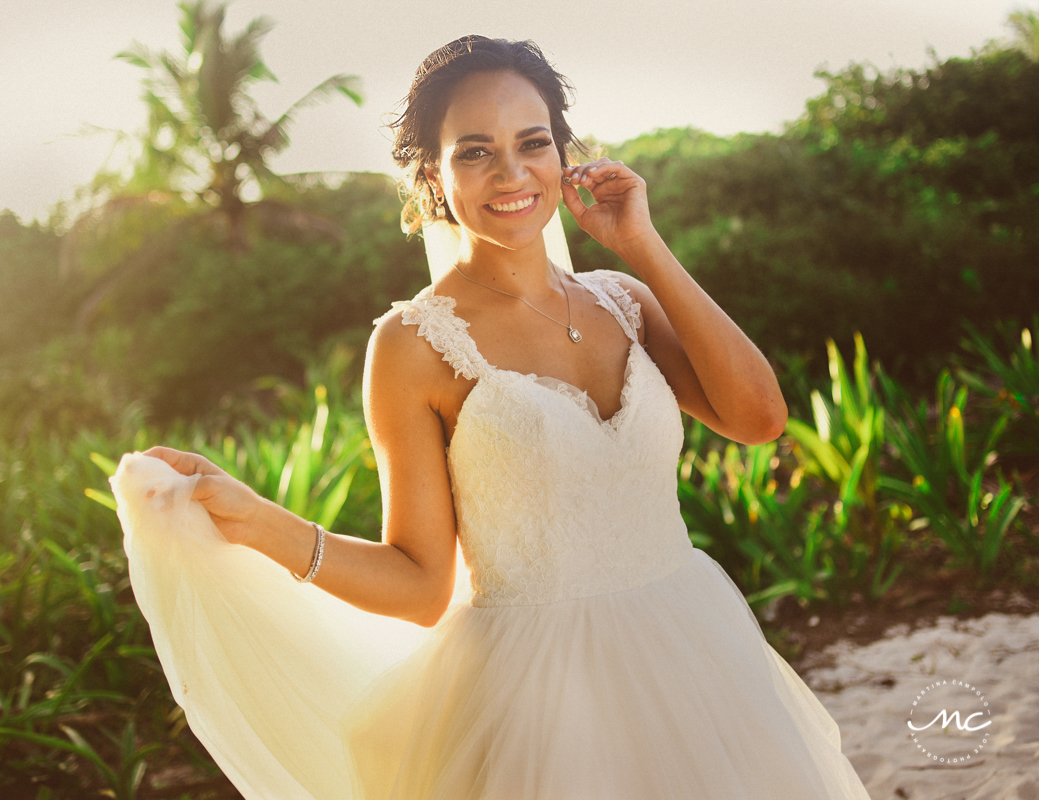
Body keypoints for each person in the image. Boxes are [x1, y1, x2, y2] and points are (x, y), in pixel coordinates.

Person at [110, 35, 874, 799]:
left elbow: (758, 418)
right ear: (431, 177)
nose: (510, 173)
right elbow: (419, 585)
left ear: (562, 154)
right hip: (533, 703)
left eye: (531, 142)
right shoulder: (412, 344)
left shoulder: (623, 301)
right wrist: (256, 520)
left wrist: (641, 243)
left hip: (695, 648)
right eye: (474, 151)